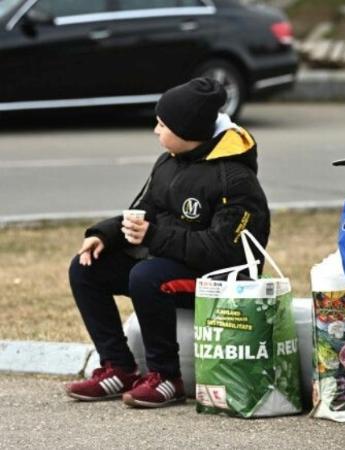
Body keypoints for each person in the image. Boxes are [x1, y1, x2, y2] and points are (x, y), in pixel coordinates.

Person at [65, 78, 271, 408]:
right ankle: (118, 367)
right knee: (86, 268)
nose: (155, 131)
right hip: (171, 262)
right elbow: (143, 211)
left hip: (221, 280)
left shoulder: (234, 179)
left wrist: (154, 236)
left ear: (186, 129)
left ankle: (165, 377)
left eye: (162, 124)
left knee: (147, 276)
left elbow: (222, 251)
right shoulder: (169, 162)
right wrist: (104, 234)